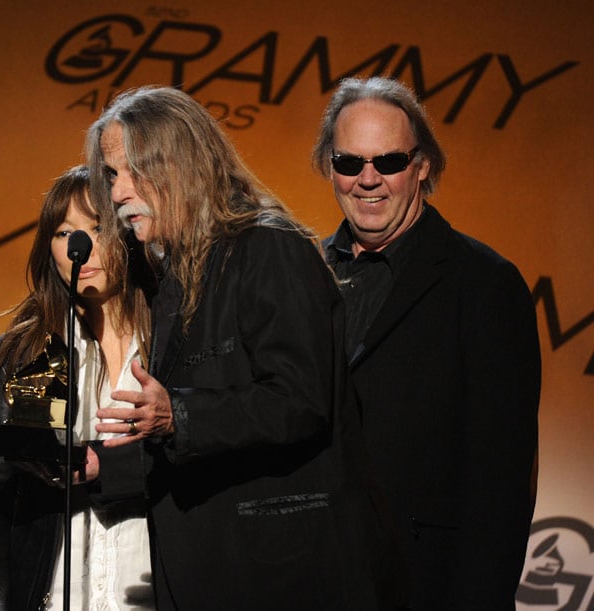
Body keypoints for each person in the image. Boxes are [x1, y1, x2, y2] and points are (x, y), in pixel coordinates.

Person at [83, 85, 401, 610]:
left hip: (280, 579)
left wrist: (176, 414)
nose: (117, 194)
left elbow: (299, 402)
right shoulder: (177, 273)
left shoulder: (269, 248)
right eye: (112, 175)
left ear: (177, 165)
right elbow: (201, 442)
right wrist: (101, 467)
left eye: (129, 171)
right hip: (211, 577)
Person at [312, 76, 541, 610]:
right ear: (331, 167)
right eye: (350, 163)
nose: (368, 180)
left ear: (422, 166)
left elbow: (502, 482)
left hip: (428, 587)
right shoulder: (302, 274)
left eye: (388, 162)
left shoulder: (484, 283)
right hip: (316, 580)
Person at [0, 165, 155, 610]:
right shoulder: (30, 353)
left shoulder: (170, 342)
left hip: (151, 592)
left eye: (97, 227)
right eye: (63, 232)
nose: (79, 247)